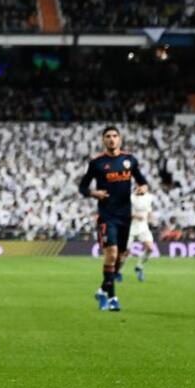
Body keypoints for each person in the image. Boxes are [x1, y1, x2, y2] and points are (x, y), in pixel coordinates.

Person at [78, 126, 148, 311]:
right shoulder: (97, 163)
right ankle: (113, 298)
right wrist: (94, 193)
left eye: (115, 136)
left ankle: (102, 290)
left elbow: (143, 182)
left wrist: (142, 189)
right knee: (112, 254)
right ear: (103, 140)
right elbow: (82, 187)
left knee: (121, 257)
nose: (111, 139)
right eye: (108, 136)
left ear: (120, 139)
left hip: (125, 216)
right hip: (107, 216)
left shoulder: (129, 160)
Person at [130, 187, 157, 282]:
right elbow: (124, 212)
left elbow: (148, 211)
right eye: (142, 187)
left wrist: (152, 219)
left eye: (145, 187)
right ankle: (118, 271)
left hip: (143, 227)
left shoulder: (149, 197)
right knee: (124, 253)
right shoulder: (130, 197)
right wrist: (135, 216)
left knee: (150, 248)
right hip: (130, 227)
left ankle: (139, 267)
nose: (144, 189)